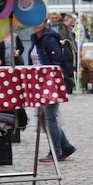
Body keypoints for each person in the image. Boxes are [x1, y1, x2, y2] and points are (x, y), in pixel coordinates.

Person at [29, 20, 76, 163]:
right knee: (49, 117)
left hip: (50, 82)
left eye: (38, 20)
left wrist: (49, 77)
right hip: (41, 83)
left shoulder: (49, 38)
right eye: (33, 20)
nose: (35, 23)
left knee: (50, 117)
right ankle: (65, 146)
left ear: (44, 22)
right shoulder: (36, 38)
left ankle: (56, 152)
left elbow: (57, 59)